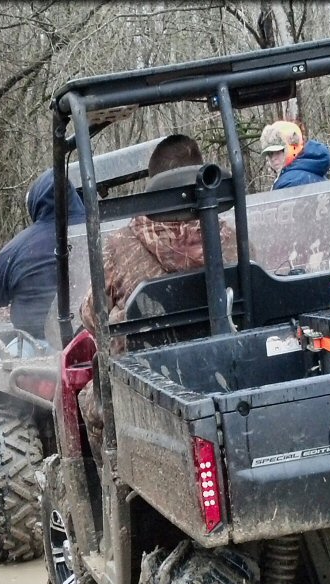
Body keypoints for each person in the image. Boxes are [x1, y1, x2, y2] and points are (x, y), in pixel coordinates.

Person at [77, 134, 237, 463]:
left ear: (156, 187)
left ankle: (110, 484)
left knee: (90, 402)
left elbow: (92, 317)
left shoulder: (121, 244)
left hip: (145, 390)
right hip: (225, 377)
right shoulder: (230, 240)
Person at [0, 169, 86, 340]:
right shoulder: (103, 232)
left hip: (35, 346)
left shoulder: (17, 247)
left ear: (36, 205)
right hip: (96, 341)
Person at [260, 120, 330, 190]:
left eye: (278, 152)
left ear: (291, 148)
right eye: (270, 154)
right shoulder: (313, 170)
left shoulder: (288, 183)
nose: (273, 158)